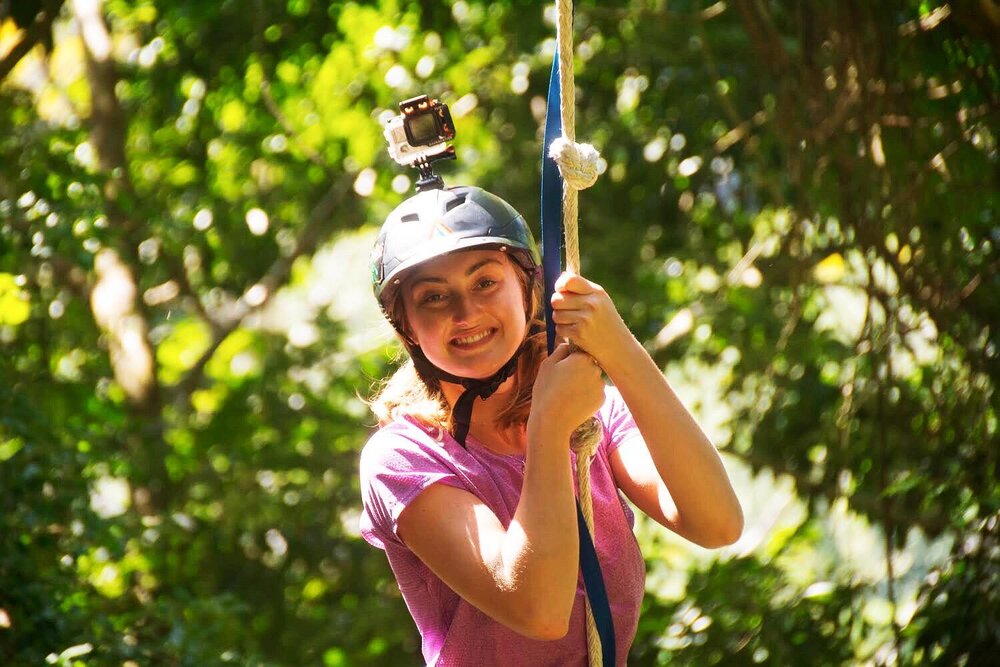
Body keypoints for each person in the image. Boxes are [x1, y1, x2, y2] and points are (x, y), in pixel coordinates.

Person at [359, 185, 743, 666]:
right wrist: (548, 427)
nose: (466, 313)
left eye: (485, 283)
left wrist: (618, 348)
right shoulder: (403, 458)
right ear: (407, 328)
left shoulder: (591, 416)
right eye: (434, 297)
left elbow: (717, 523)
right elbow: (537, 610)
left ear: (528, 290)